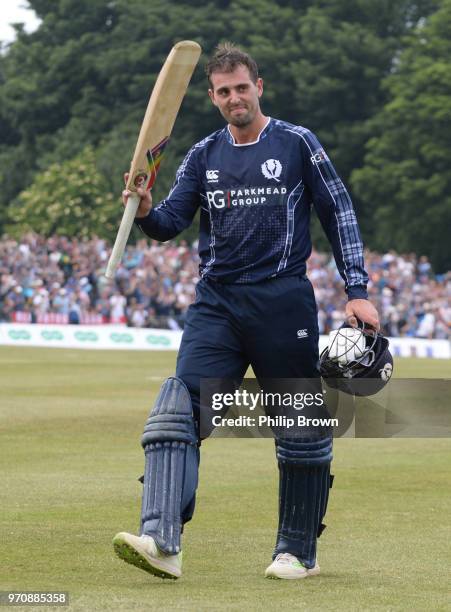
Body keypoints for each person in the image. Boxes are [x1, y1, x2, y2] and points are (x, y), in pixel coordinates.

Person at [113, 42, 380, 581]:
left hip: (282, 300)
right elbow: (169, 223)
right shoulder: (203, 155)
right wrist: (144, 209)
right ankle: (162, 539)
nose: (235, 97)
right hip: (216, 303)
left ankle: (297, 550)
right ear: (212, 97)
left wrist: (357, 287)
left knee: (299, 424)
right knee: (176, 413)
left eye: (242, 87)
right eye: (224, 91)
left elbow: (339, 209)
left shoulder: (297, 142)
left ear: (259, 87)